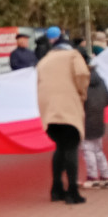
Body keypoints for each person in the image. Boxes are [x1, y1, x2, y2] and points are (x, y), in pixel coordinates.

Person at [36, 26, 90, 204]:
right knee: (71, 148)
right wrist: (82, 94)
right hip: (68, 108)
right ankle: (72, 191)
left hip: (50, 112)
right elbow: (82, 74)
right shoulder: (73, 56)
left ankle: (56, 188)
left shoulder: (44, 61)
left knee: (60, 147)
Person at [81, 59, 108, 189]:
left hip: (85, 120)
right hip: (99, 119)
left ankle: (92, 177)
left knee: (87, 150)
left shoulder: (81, 83)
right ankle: (105, 176)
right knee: (98, 150)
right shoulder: (101, 81)